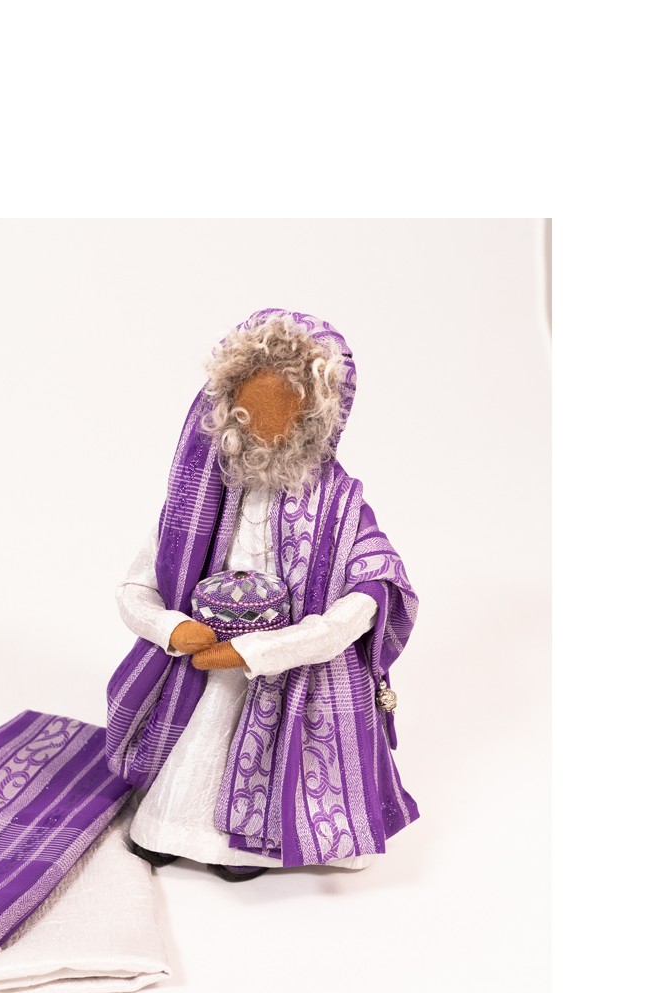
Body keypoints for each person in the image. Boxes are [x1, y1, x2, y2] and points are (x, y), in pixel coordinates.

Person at [105, 308, 419, 881]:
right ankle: (172, 827)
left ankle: (250, 845)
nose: (261, 426)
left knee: (273, 750)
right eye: (248, 410)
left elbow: (368, 598)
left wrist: (260, 651)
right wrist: (172, 629)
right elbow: (135, 586)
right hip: (202, 660)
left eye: (283, 411)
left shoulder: (342, 507)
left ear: (316, 417)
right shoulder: (200, 501)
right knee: (199, 745)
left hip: (298, 672)